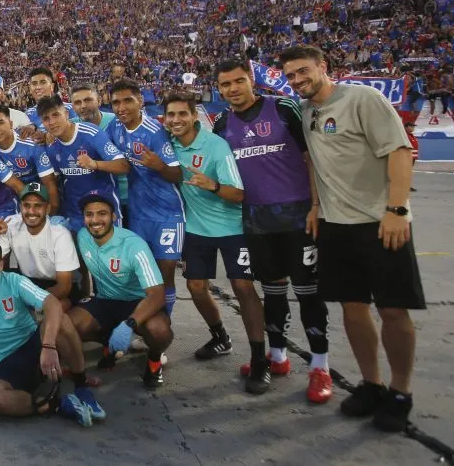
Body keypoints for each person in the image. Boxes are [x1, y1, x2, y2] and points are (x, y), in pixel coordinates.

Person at [281, 45, 424, 432]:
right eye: (290, 76)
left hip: (380, 222)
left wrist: (396, 210)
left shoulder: (363, 98)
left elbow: (398, 151)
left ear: (323, 67)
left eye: (303, 71)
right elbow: (315, 162)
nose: (297, 80)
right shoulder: (308, 112)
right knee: (353, 308)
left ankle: (400, 391)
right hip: (335, 226)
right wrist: (314, 206)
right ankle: (371, 383)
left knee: (393, 309)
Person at [213, 59, 332, 403]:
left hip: (297, 217)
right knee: (273, 292)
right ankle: (278, 357)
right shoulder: (221, 123)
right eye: (225, 84)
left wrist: (314, 205)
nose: (233, 89)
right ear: (218, 89)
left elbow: (312, 157)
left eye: (238, 81)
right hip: (256, 221)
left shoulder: (283, 107)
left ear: (251, 79)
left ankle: (320, 367)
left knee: (308, 292)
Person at [0, 238, 105, 427]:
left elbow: (52, 304)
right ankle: (53, 404)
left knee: (61, 319)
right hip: (3, 364)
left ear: (0, 265)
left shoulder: (15, 282)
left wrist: (48, 345)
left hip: (33, 346)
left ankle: (81, 388)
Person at [163, 91, 270, 395]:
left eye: (182, 114)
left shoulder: (215, 146)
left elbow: (238, 194)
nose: (176, 120)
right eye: (171, 115)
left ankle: (259, 359)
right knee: (196, 286)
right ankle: (220, 336)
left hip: (232, 227)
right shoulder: (168, 146)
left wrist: (212, 185)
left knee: (243, 287)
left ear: (194, 116)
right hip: (196, 229)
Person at [67, 193, 174, 389]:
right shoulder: (83, 236)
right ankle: (108, 341)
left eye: (102, 214)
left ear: (114, 217)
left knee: (159, 331)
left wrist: (129, 325)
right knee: (69, 325)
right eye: (89, 215)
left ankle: (154, 360)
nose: (95, 220)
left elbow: (158, 295)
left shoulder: (133, 245)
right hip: (106, 300)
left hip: (138, 302)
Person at [106, 79, 184, 323]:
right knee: (143, 275)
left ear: (140, 100)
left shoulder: (155, 131)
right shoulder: (115, 129)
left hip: (167, 214)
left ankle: (163, 331)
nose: (121, 107)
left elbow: (177, 174)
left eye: (127, 100)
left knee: (165, 274)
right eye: (116, 102)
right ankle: (144, 325)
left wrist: (159, 166)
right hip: (138, 214)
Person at [0, 182, 80, 309]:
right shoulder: (10, 224)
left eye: (38, 206)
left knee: (53, 310)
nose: (31, 211)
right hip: (29, 283)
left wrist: (27, 301)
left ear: (48, 209)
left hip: (60, 286)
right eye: (26, 205)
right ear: (20, 207)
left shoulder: (60, 234)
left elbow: (64, 288)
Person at [38, 95, 129, 234]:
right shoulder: (52, 147)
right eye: (46, 119)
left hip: (103, 210)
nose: (52, 122)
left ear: (66, 114)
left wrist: (95, 164)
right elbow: (55, 181)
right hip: (75, 214)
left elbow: (123, 166)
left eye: (56, 115)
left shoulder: (91, 133)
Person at [0, 104, 60, 216]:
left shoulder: (33, 143)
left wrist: (50, 215)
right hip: (8, 202)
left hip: (38, 196)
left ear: (11, 124)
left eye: (1, 122)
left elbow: (50, 184)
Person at [24, 67, 77, 131]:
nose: (38, 87)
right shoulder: (26, 115)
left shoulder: (71, 108)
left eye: (43, 82)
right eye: (34, 84)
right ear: (30, 89)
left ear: (52, 86)